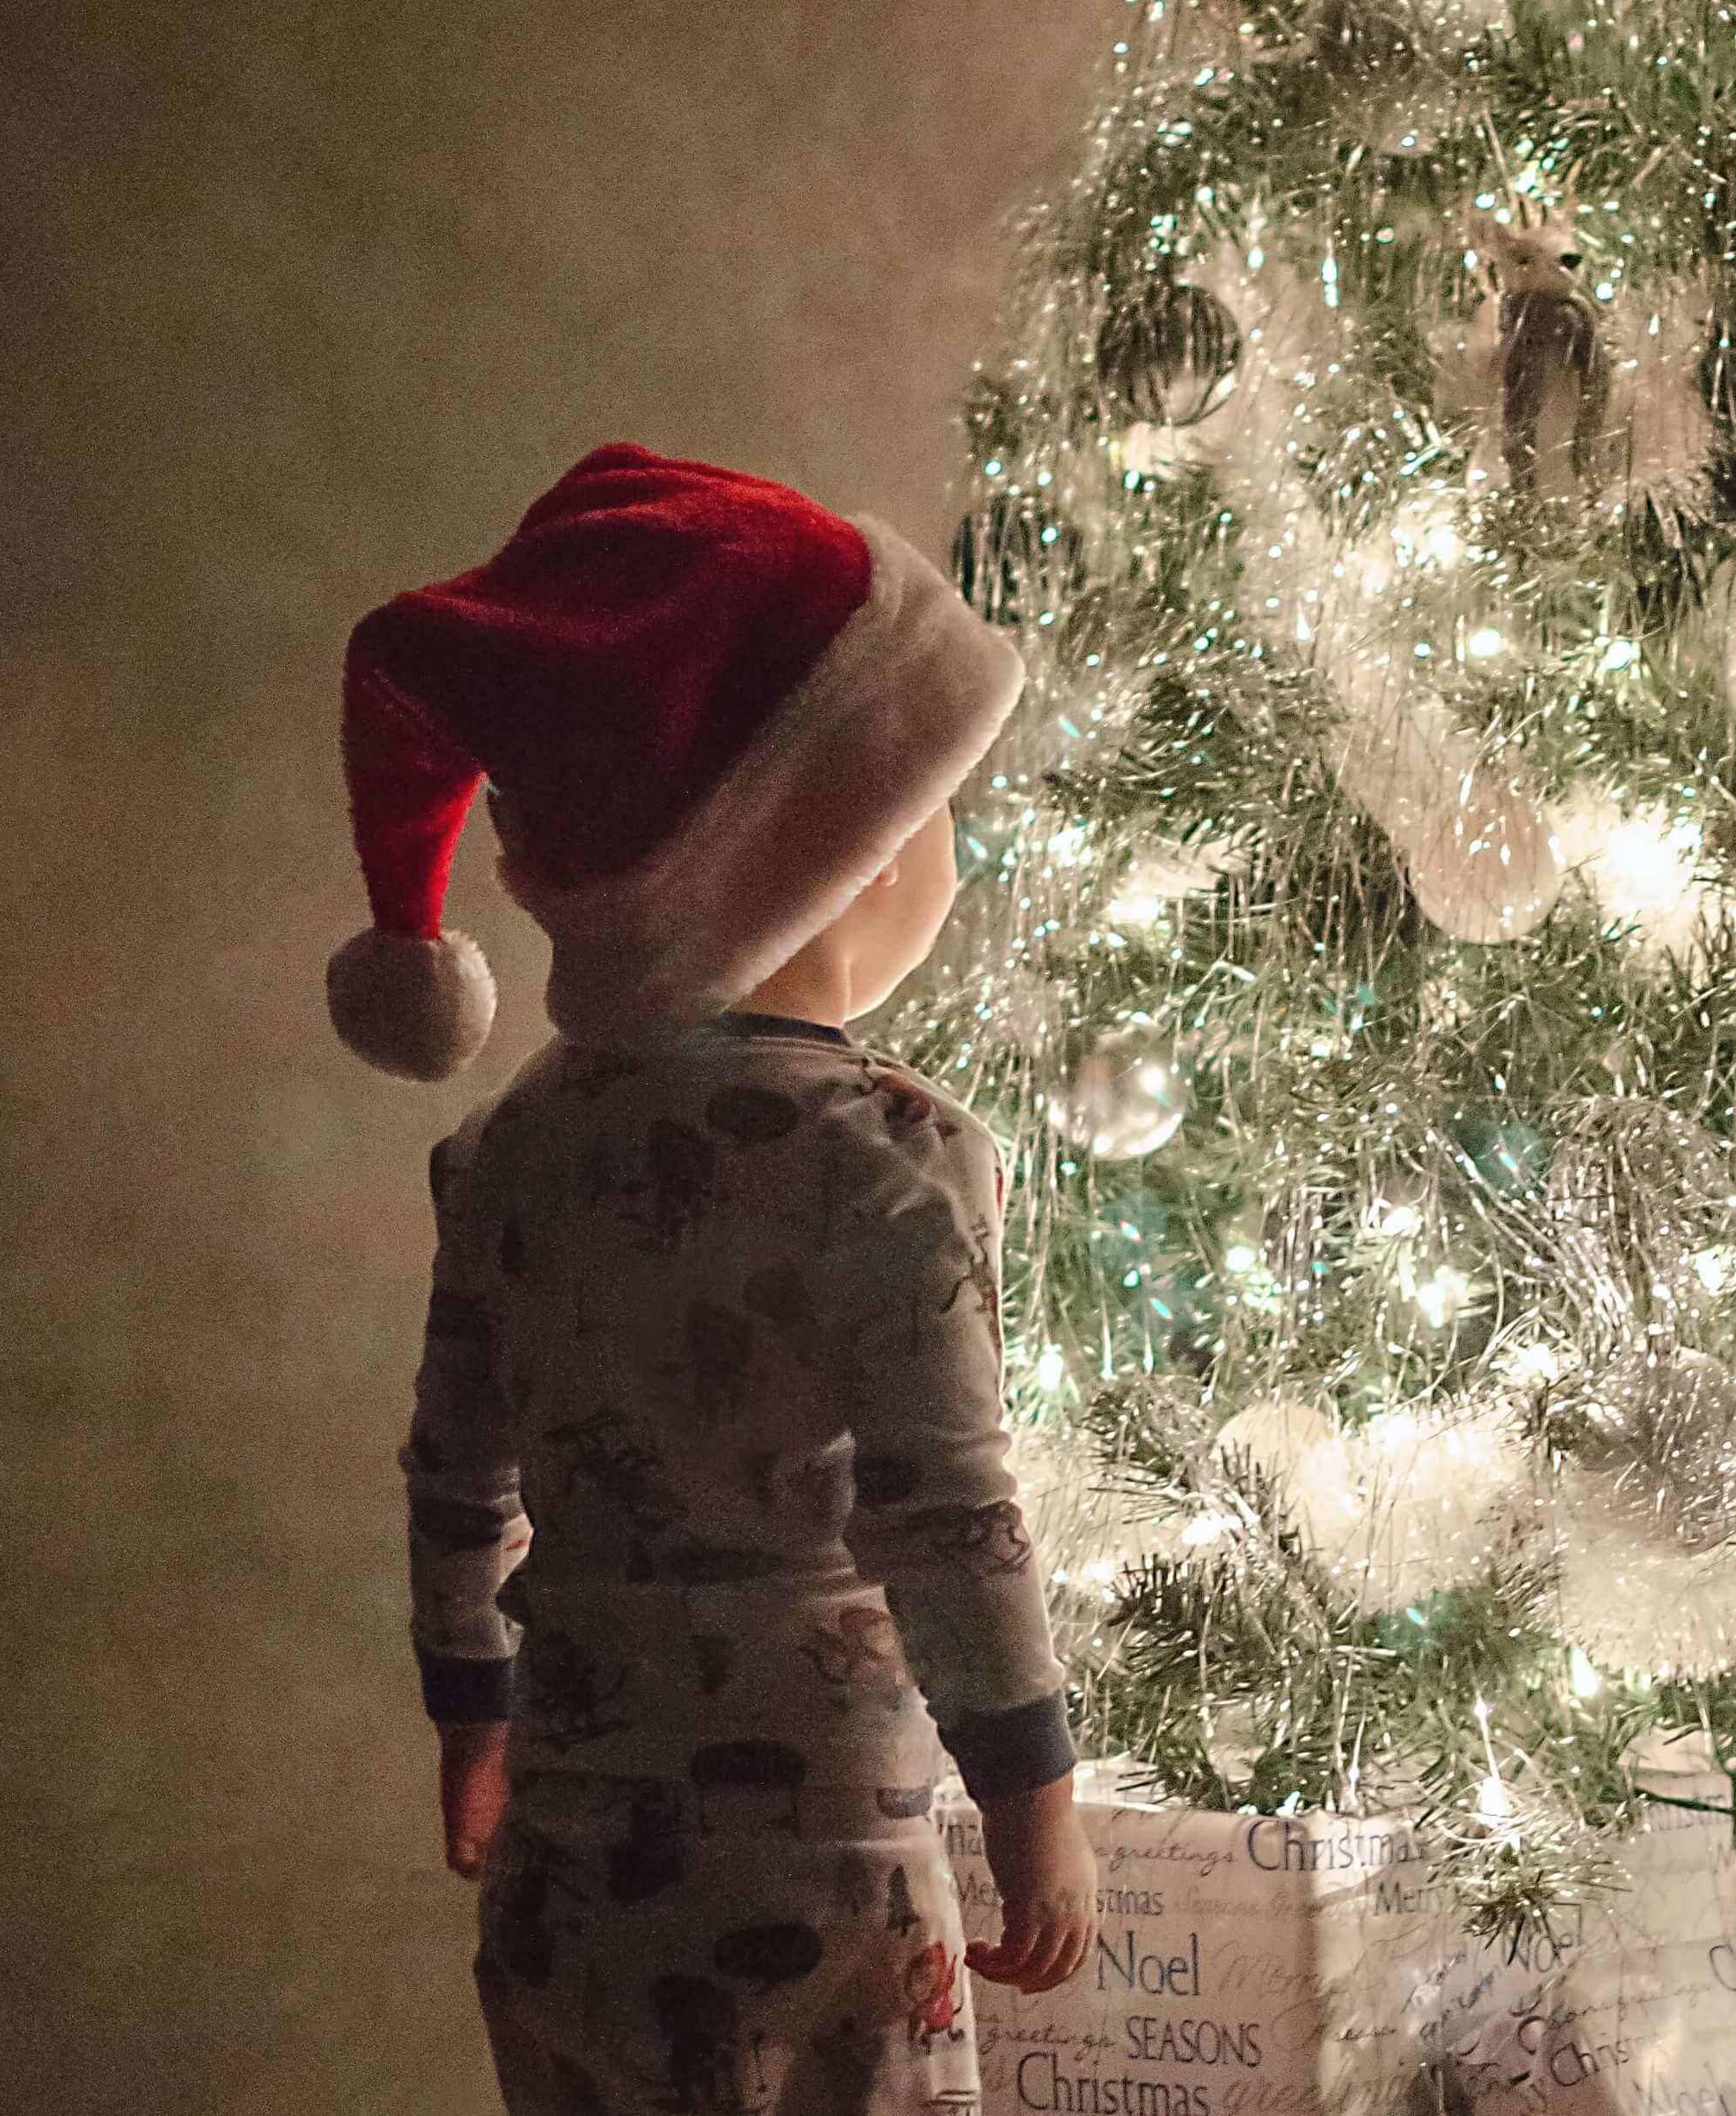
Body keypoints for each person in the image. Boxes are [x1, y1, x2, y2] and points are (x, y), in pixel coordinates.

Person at [324, 442, 1093, 2114]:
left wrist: (475, 1708)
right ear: (856, 844)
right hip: (822, 1863)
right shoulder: (888, 1155)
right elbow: (947, 1504)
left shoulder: (509, 1152)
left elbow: (455, 1473)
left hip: (569, 1860)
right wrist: (1032, 1792)